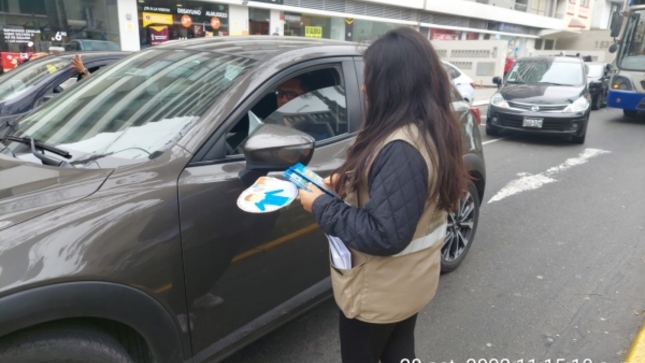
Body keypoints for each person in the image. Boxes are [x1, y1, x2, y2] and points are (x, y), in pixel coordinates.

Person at [297, 27, 468, 363]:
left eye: (370, 78)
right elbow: (400, 188)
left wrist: (319, 204)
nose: (363, 86)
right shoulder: (429, 126)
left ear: (391, 84)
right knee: (399, 352)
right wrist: (348, 176)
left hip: (379, 296)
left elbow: (385, 234)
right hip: (409, 284)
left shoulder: (401, 148)